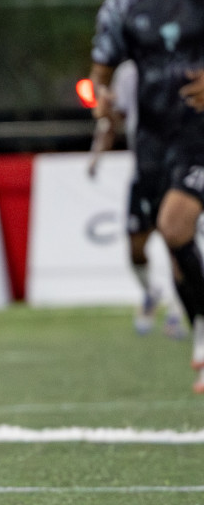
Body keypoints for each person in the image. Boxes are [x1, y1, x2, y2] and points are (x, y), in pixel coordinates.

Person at [89, 0, 204, 391]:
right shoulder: (120, 8)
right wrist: (102, 105)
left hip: (198, 136)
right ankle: (195, 321)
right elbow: (100, 75)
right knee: (165, 244)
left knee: (175, 225)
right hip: (151, 144)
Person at [87, 59, 184, 338]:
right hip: (144, 170)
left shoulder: (186, 61)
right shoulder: (129, 72)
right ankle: (151, 293)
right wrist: (98, 150)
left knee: (175, 239)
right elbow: (116, 116)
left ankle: (179, 309)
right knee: (136, 248)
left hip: (178, 168)